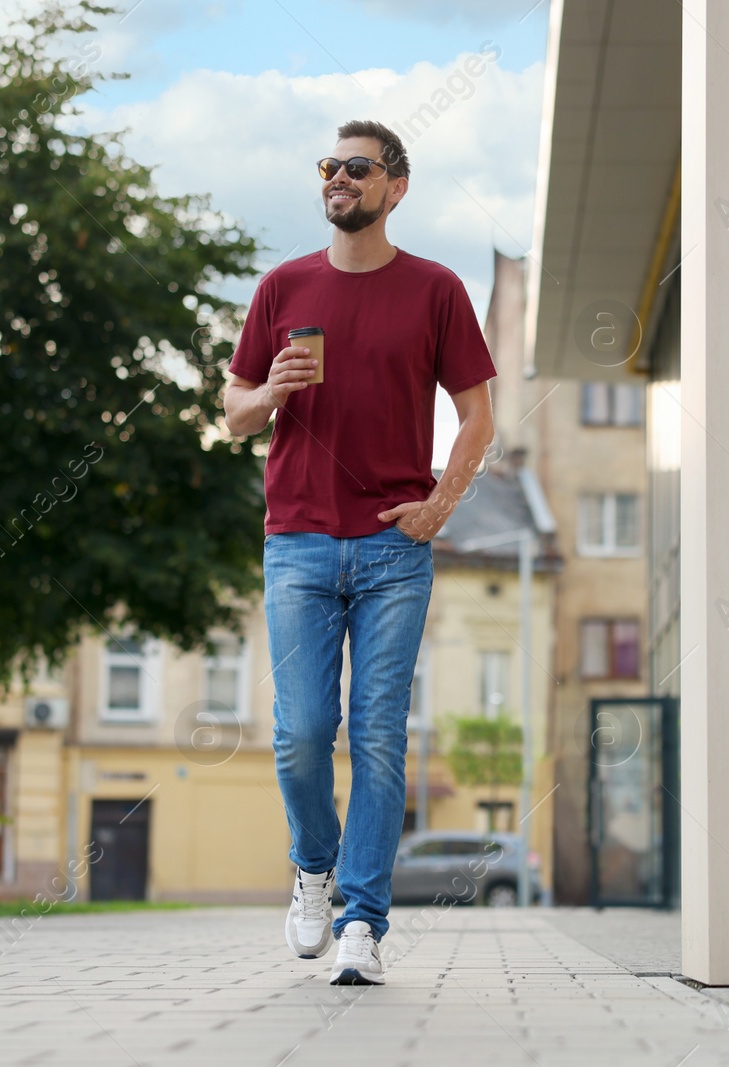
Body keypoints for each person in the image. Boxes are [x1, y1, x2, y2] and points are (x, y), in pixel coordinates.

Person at [222, 119, 497, 985]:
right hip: (298, 542)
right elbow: (233, 411)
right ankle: (314, 866)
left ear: (396, 188)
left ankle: (362, 925)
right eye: (329, 166)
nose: (338, 177)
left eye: (357, 167)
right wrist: (268, 389)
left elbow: (478, 413)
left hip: (392, 548)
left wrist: (440, 506)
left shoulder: (437, 289)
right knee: (302, 733)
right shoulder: (283, 286)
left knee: (378, 739)